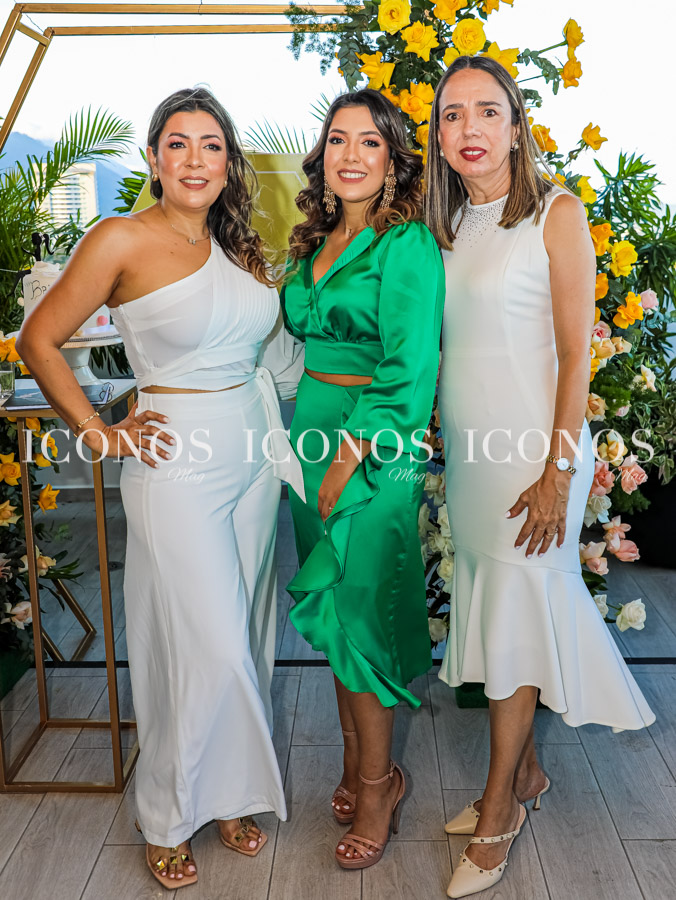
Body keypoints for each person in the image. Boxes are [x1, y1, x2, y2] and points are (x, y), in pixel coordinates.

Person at [17, 87, 305, 891]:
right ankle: (168, 812)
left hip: (253, 459)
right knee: (205, 643)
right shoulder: (119, 239)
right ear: (153, 158)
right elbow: (39, 339)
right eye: (178, 144)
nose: (195, 160)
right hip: (173, 462)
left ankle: (233, 794)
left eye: (212, 145)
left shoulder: (241, 247)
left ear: (229, 162)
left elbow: (275, 356)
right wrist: (100, 433)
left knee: (245, 635)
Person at [425, 56, 655, 899]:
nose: (470, 129)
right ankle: (524, 775)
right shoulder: (449, 225)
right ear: (438, 136)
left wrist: (559, 471)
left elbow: (572, 356)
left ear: (517, 126)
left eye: (488, 111)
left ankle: (499, 811)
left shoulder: (557, 214)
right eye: (453, 115)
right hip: (473, 454)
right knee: (498, 612)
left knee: (518, 615)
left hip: (534, 454)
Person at [281, 89, 445, 870]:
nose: (351, 155)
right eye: (338, 140)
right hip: (309, 438)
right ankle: (356, 763)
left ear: (392, 160)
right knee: (338, 616)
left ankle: (381, 788)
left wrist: (352, 450)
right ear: (322, 156)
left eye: (370, 142)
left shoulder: (405, 242)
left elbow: (410, 366)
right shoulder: (314, 239)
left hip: (373, 445)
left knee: (364, 616)